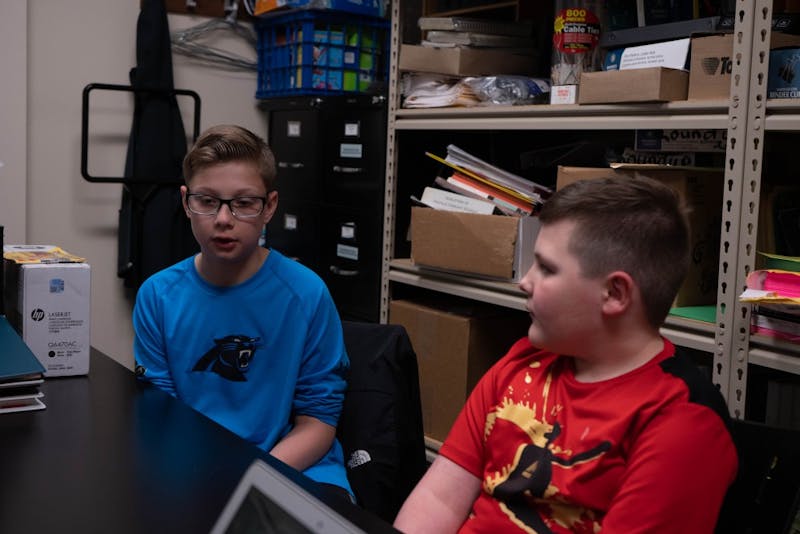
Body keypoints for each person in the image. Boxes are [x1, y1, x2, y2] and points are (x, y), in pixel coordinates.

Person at [394, 176, 738, 533]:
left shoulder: (680, 419)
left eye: (546, 268)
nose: (524, 281)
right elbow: (440, 498)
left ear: (614, 293)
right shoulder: (522, 361)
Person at [132, 124, 352, 496]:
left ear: (269, 207)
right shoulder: (158, 296)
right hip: (193, 465)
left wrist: (254, 480)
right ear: (186, 203)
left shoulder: (306, 293)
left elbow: (318, 420)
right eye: (207, 201)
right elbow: (164, 414)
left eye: (244, 203)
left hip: (294, 466)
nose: (223, 218)